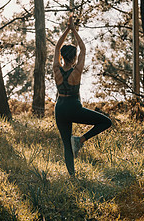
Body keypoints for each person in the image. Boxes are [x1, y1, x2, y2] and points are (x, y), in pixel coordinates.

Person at [53, 13, 112, 177]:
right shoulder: (77, 71)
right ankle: (80, 140)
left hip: (59, 108)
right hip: (73, 107)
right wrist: (74, 30)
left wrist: (66, 30)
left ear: (63, 57)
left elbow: (57, 48)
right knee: (106, 122)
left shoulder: (56, 69)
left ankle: (72, 177)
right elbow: (84, 49)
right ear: (74, 57)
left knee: (66, 144)